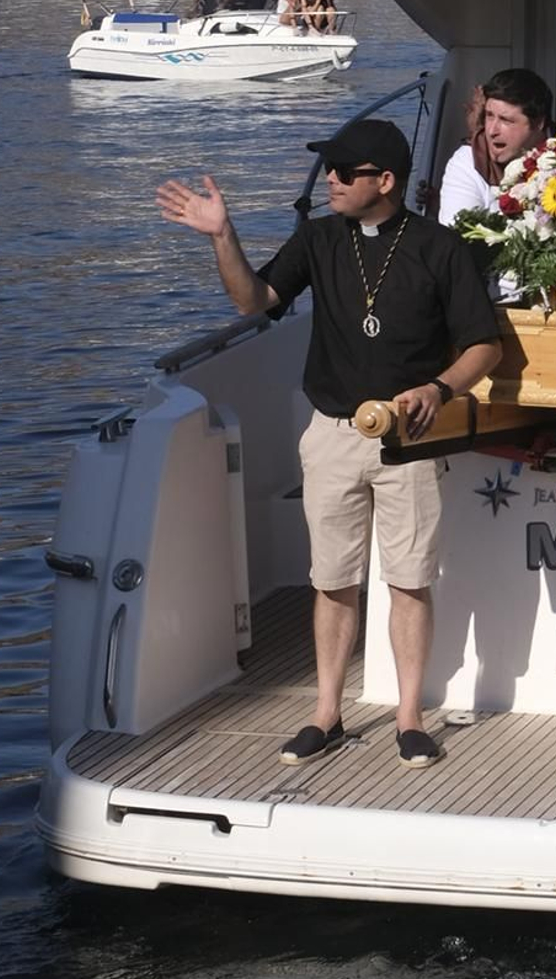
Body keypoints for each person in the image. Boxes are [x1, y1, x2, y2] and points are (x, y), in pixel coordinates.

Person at [156, 118, 502, 768]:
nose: (331, 181)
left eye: (344, 171)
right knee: (333, 580)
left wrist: (440, 388)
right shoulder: (317, 238)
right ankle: (327, 714)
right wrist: (223, 236)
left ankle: (408, 717)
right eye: (330, 170)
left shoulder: (439, 247)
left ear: (386, 180)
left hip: (410, 438)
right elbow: (254, 299)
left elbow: (484, 344)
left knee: (409, 581)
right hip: (332, 433)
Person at [439, 68, 554, 224]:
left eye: (506, 120)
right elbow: (457, 232)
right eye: (489, 116)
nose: (492, 131)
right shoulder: (469, 161)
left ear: (539, 123)